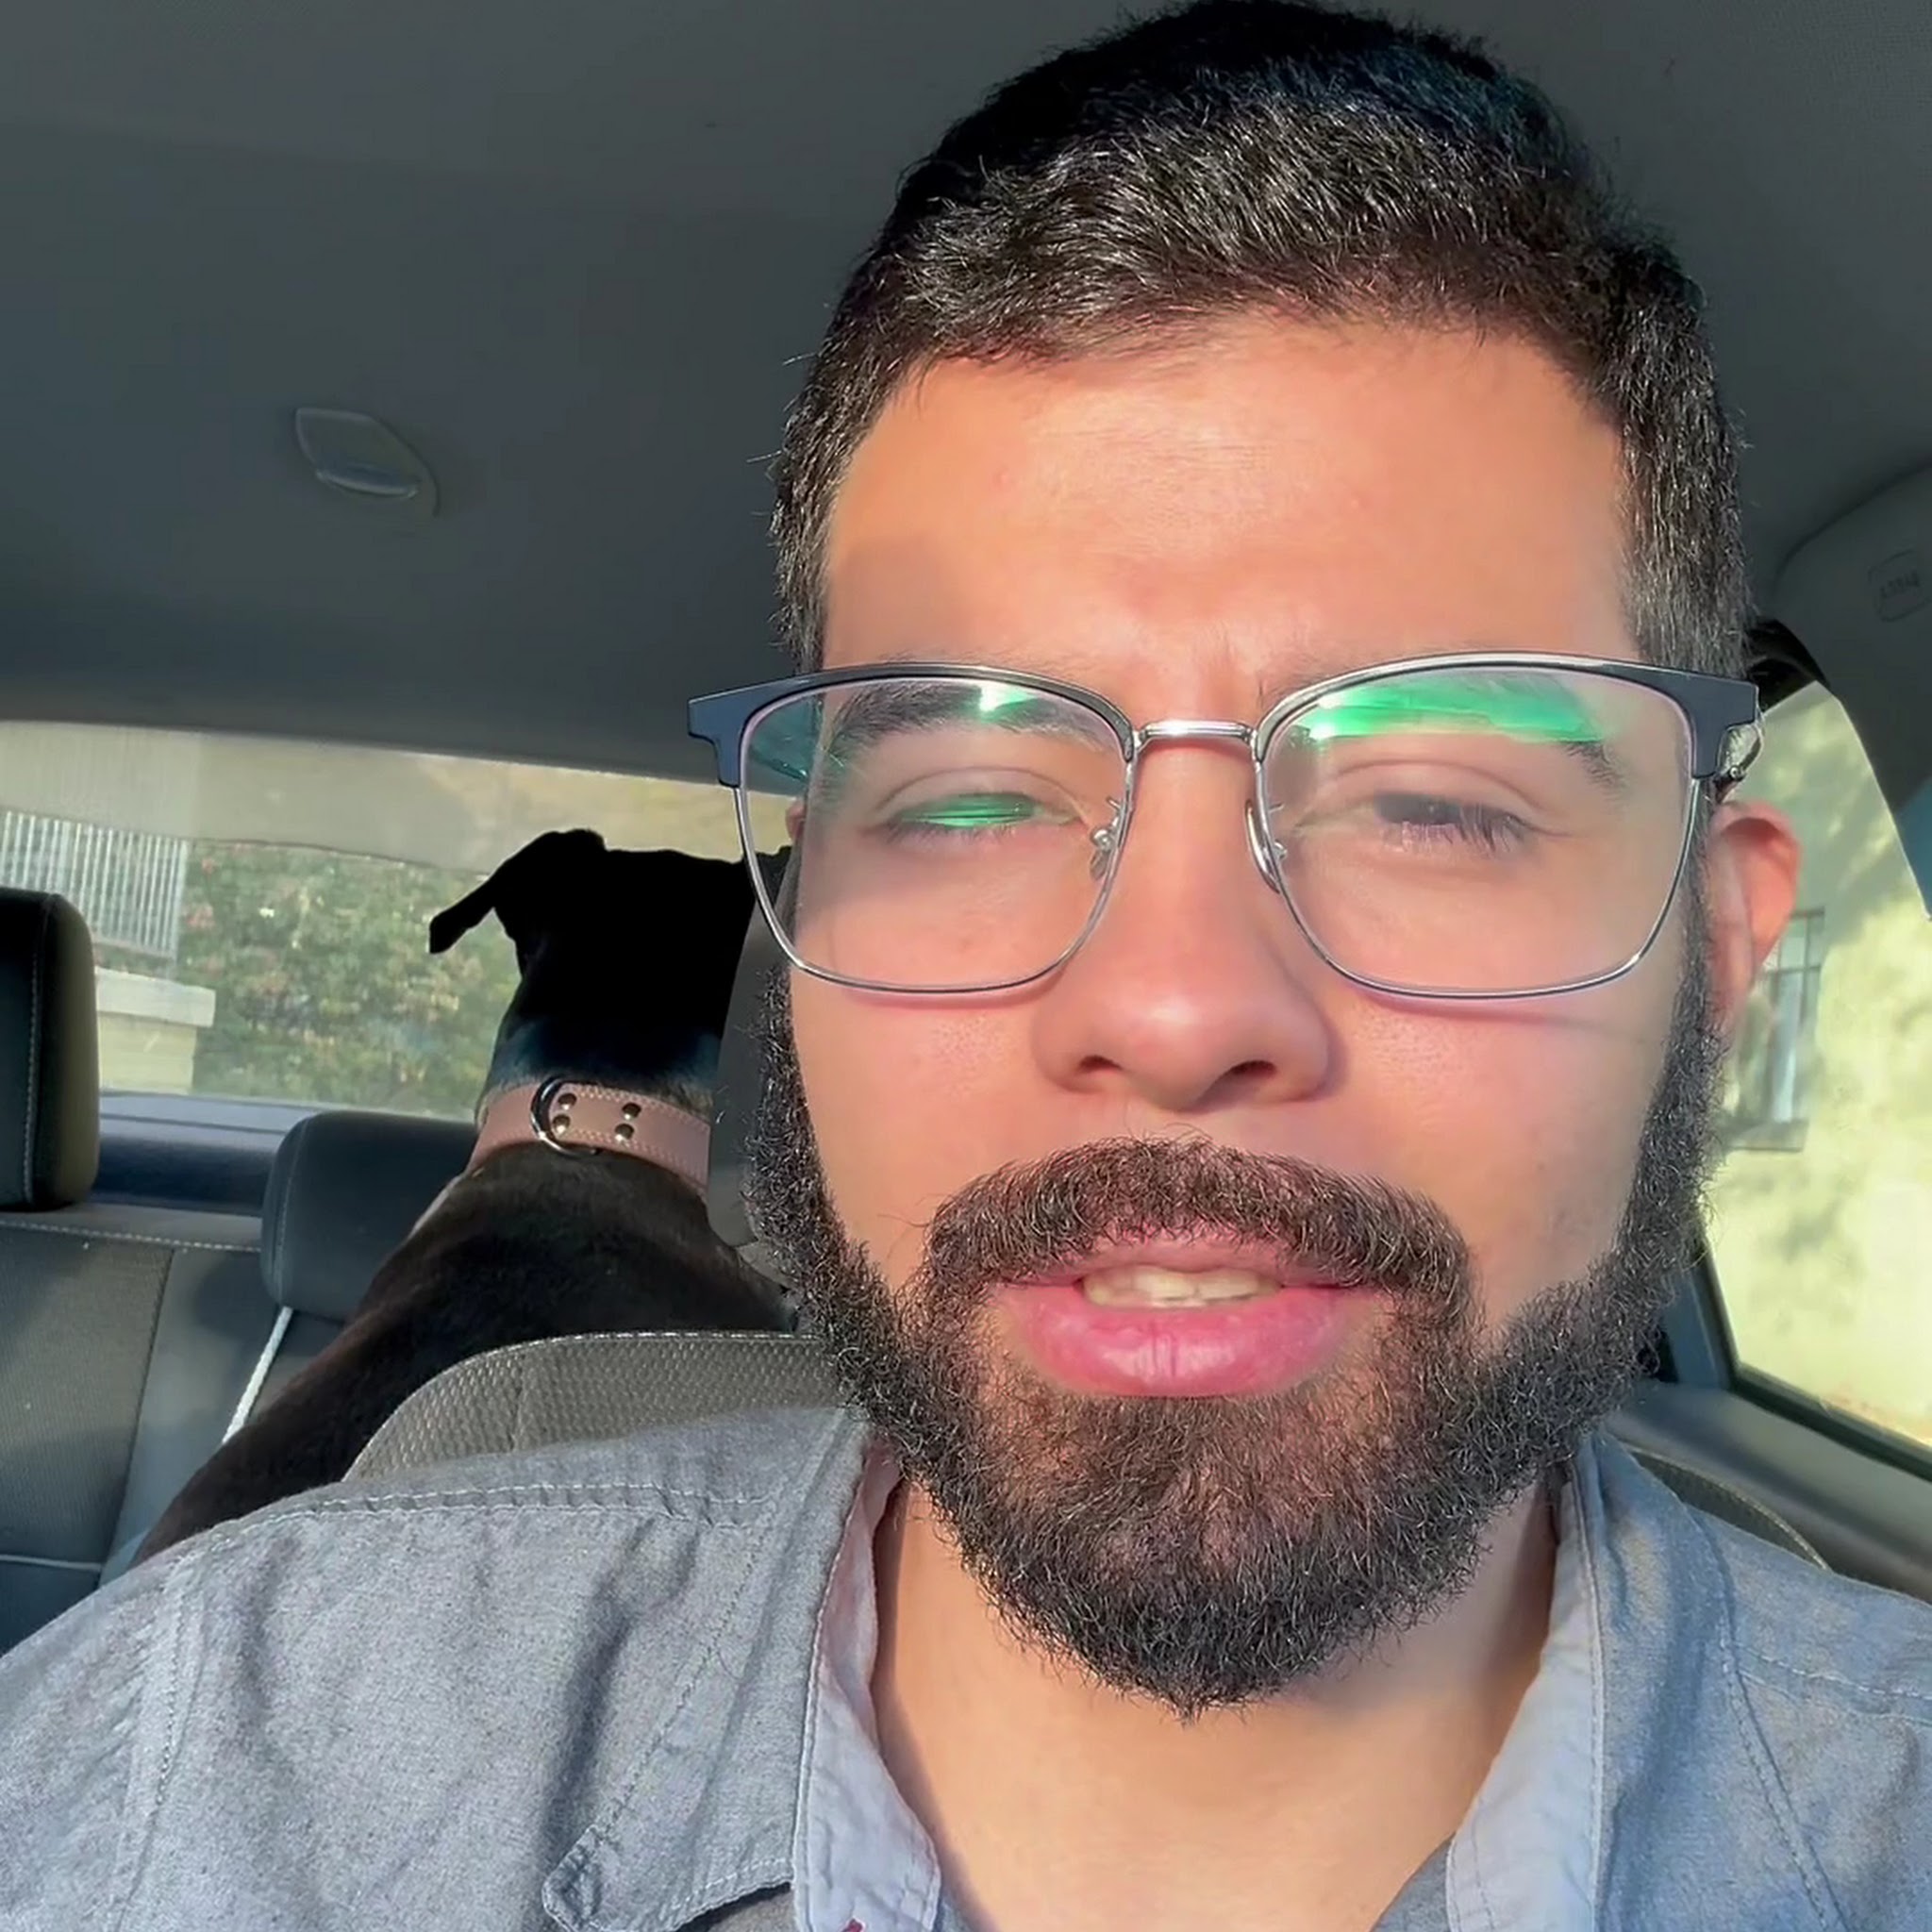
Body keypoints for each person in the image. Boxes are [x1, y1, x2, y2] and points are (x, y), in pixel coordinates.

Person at [3, 5, 1927, 1928]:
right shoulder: (200, 1767)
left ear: (1720, 950)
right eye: (970, 801)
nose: (1170, 1011)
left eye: (1429, 802)